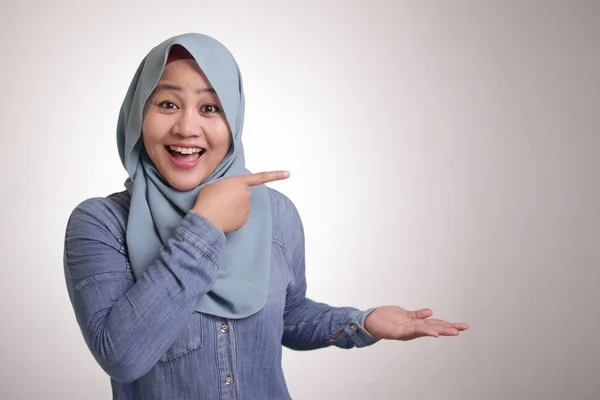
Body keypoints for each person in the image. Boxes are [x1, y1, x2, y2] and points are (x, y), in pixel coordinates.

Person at [63, 33, 469, 400]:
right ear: (138, 113)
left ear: (234, 119)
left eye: (210, 107)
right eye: (168, 104)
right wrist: (204, 227)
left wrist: (361, 322)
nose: (187, 127)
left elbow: (288, 316)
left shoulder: (276, 213)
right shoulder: (101, 223)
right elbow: (122, 356)